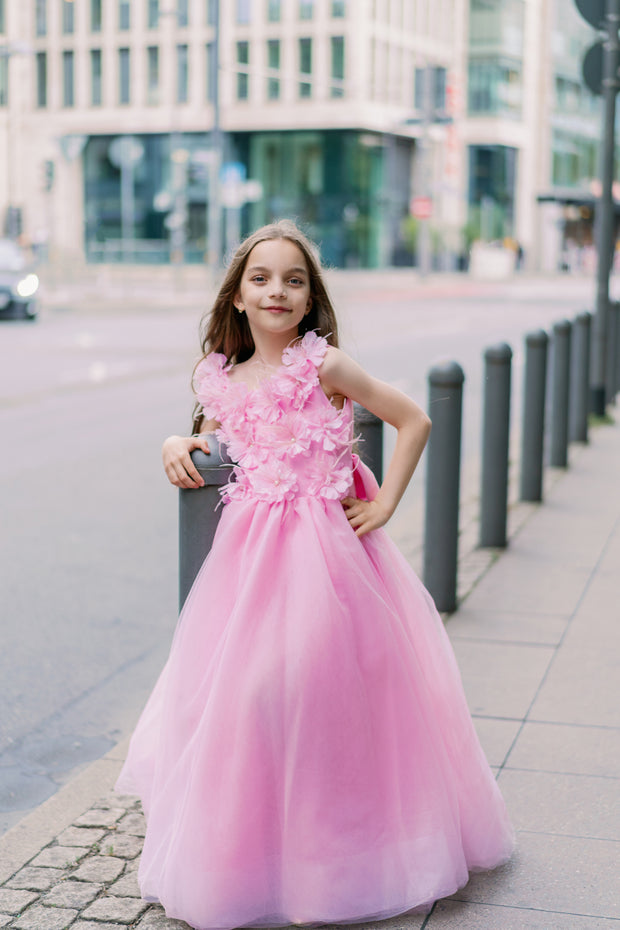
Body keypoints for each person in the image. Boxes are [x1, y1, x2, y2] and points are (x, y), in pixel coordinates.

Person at [116, 220, 514, 930]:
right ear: (237, 297)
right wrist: (178, 439)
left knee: (318, 695)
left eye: (293, 280)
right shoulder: (222, 376)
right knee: (245, 701)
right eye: (261, 279)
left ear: (309, 297)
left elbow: (413, 418)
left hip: (326, 561)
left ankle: (339, 855)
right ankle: (256, 857)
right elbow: (213, 440)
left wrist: (386, 500)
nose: (277, 291)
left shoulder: (323, 365)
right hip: (246, 569)